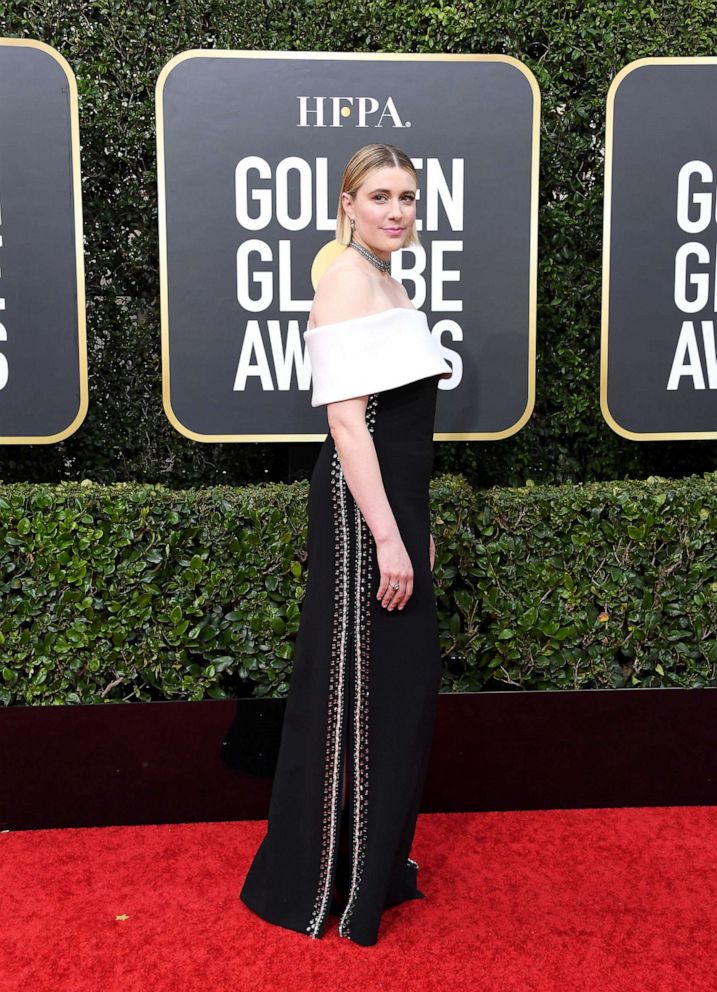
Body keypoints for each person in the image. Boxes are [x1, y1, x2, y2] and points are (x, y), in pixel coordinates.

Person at [240, 142, 451, 946]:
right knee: (355, 689)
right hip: (362, 507)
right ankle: (321, 879)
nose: (397, 210)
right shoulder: (344, 279)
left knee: (393, 685)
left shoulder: (386, 278)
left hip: (392, 503)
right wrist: (388, 538)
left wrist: (412, 531)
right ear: (348, 204)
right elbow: (344, 421)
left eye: (407, 197)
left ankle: (370, 866)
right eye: (381, 197)